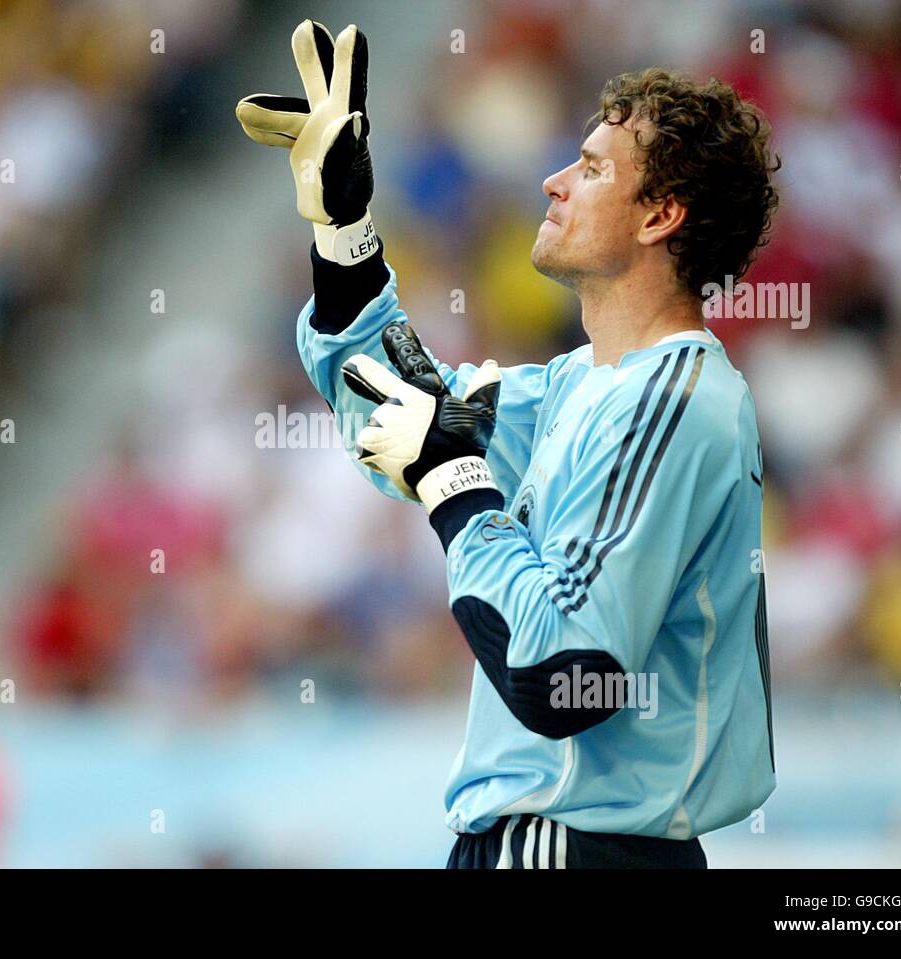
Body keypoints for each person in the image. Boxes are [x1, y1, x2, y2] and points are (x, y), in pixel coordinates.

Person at [238, 21, 779, 868]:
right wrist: (345, 232)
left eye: (593, 167)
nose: (554, 181)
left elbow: (564, 673)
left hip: (577, 848)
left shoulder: (673, 401)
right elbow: (401, 402)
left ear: (661, 216)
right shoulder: (579, 385)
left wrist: (455, 483)